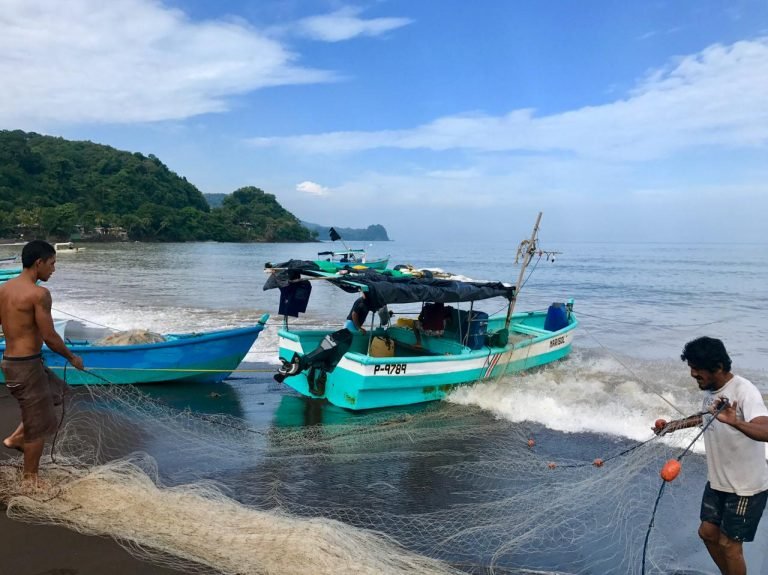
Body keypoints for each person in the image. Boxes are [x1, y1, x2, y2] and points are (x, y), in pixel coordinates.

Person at [654, 337, 768, 575]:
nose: (693, 374)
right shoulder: (711, 391)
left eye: (697, 370)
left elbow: (765, 430)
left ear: (717, 367)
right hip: (719, 482)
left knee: (729, 545)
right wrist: (673, 426)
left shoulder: (745, 392)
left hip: (746, 487)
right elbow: (706, 417)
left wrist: (735, 422)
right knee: (707, 533)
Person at [0, 240, 84, 485]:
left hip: (14, 362)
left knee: (57, 392)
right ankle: (30, 480)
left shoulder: (4, 289)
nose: (53, 269)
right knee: (39, 424)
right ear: (39, 263)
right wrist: (72, 357)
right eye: (52, 263)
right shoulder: (39, 294)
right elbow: (50, 336)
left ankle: (16, 438)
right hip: (26, 366)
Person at [276, 292, 372, 384]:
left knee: (320, 351)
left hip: (336, 340)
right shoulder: (361, 302)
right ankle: (292, 368)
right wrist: (359, 327)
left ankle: (292, 368)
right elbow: (354, 314)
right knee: (322, 351)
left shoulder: (367, 302)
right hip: (350, 326)